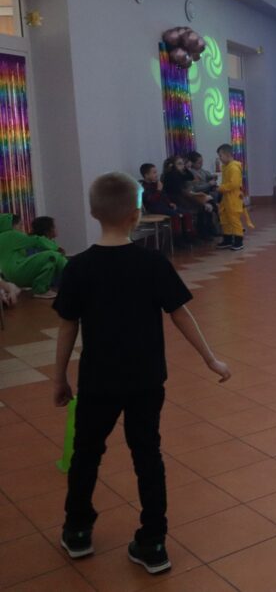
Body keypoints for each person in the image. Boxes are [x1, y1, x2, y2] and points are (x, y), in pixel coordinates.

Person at [52, 172, 230, 574]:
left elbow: (67, 328)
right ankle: (153, 542)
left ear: (93, 212)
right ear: (136, 214)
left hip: (97, 381)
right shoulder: (152, 263)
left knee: (86, 454)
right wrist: (210, 359)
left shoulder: (78, 268)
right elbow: (180, 314)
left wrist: (60, 377)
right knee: (147, 454)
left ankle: (77, 530)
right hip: (146, 380)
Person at [0, 213, 67, 299]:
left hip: (11, 276)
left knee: (56, 257)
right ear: (11, 225)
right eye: (20, 225)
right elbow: (36, 240)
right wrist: (56, 248)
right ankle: (41, 290)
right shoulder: (10, 235)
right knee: (52, 256)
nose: (21, 228)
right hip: (17, 272)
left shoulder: (2, 238)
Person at [140, 163, 195, 241]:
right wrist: (158, 190)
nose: (157, 174)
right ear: (146, 175)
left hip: (163, 205)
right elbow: (151, 200)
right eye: (154, 172)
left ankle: (189, 236)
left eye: (156, 172)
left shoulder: (156, 183)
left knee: (187, 213)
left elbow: (164, 196)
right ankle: (177, 239)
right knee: (175, 215)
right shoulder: (143, 186)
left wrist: (169, 203)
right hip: (153, 207)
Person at [215, 144, 247, 251]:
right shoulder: (225, 167)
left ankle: (239, 241)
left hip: (233, 198)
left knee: (234, 219)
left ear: (228, 154)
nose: (219, 158)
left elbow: (234, 184)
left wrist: (221, 188)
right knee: (224, 219)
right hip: (225, 198)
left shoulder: (234, 168)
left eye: (221, 155)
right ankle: (227, 239)